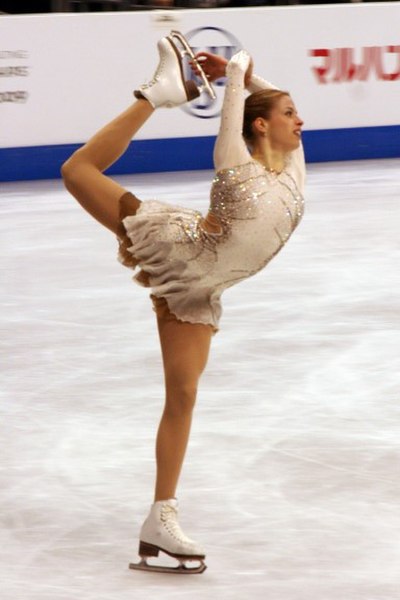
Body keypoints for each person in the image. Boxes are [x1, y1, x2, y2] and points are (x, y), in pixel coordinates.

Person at [61, 30, 305, 574]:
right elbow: (242, 100)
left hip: (200, 289)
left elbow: (257, 89)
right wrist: (234, 75)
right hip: (180, 244)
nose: (301, 120)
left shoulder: (292, 169)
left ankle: (159, 518)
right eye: (290, 113)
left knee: (183, 394)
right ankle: (155, 95)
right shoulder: (236, 163)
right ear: (260, 126)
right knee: (76, 173)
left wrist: (234, 75)